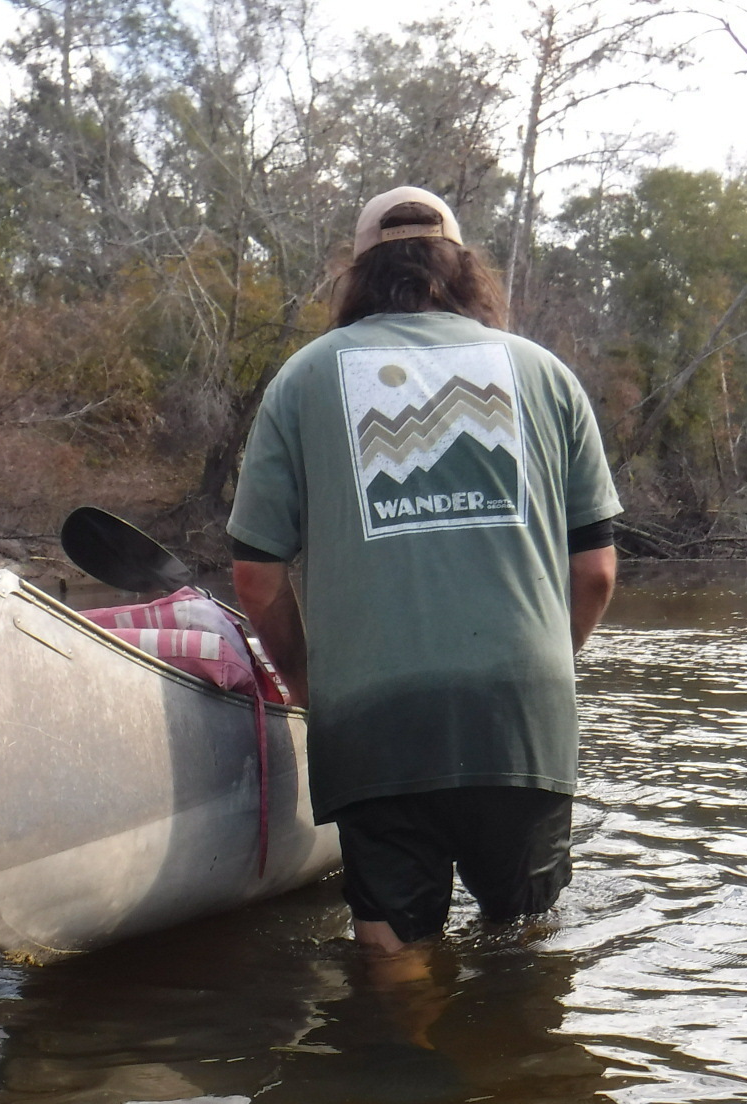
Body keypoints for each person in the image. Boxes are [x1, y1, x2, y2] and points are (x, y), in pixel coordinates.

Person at [227, 184, 620, 961]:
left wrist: (311, 685)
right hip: (522, 711)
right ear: (463, 268)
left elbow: (256, 581)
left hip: (374, 718)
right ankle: (521, 1073)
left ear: (359, 273)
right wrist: (542, 664)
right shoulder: (545, 373)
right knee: (528, 954)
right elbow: (598, 571)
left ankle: (404, 1065)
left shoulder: (304, 378)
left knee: (394, 956)